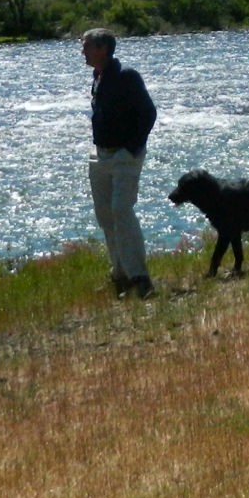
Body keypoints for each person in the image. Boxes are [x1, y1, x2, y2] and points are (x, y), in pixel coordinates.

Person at [82, 28, 158, 298]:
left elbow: (149, 113)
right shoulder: (98, 77)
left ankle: (140, 277)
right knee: (105, 215)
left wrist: (132, 148)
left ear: (103, 49)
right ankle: (120, 274)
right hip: (100, 155)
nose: (83, 52)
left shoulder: (127, 76)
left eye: (87, 46)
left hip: (125, 156)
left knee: (121, 211)